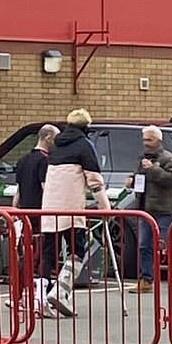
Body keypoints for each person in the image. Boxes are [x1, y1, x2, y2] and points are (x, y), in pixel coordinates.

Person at [41, 109, 110, 317]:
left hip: (50, 205)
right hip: (71, 206)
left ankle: (41, 297)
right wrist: (104, 207)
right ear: (85, 127)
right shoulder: (84, 146)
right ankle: (62, 290)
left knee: (48, 254)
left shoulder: (55, 147)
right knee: (77, 250)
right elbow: (94, 180)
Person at [128, 125, 172, 294]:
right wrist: (132, 179)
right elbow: (139, 177)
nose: (146, 143)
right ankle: (146, 280)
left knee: (164, 244)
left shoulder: (168, 158)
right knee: (144, 245)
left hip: (164, 210)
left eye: (149, 140)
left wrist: (153, 169)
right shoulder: (142, 158)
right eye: (144, 140)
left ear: (158, 141)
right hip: (145, 209)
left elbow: (171, 179)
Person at [13, 124, 59, 229]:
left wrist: (14, 212)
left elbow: (18, 192)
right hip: (41, 215)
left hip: (25, 215)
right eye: (56, 139)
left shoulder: (22, 160)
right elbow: (46, 188)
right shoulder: (45, 160)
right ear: (48, 138)